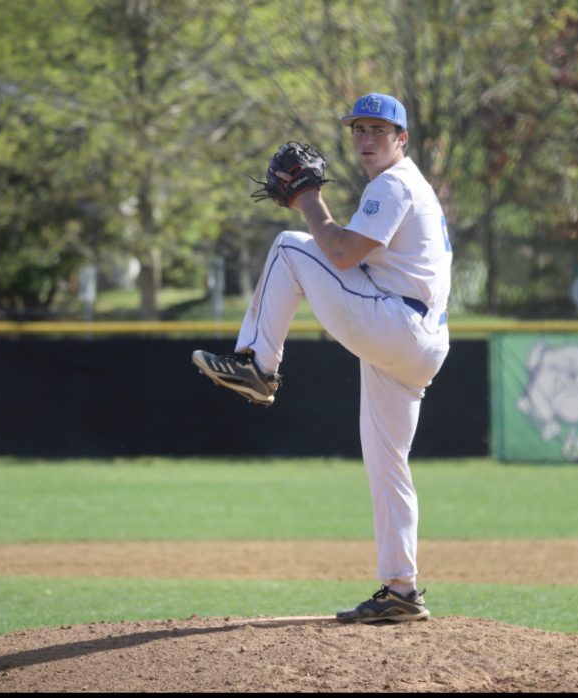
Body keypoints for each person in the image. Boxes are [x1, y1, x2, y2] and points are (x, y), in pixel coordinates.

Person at [192, 92, 452, 623]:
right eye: (358, 130)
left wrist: (306, 195)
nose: (366, 139)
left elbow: (336, 253)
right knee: (387, 464)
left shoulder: (395, 183)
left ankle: (259, 367)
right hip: (417, 342)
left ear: (402, 139)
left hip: (397, 325)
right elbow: (354, 258)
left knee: (290, 246)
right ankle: (402, 590)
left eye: (378, 130)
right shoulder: (405, 186)